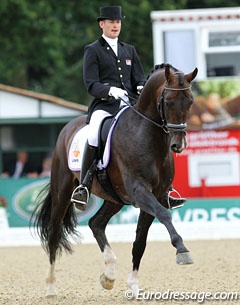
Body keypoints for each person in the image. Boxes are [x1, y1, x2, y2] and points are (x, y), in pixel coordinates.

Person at [71, 6, 186, 211]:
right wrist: (110, 91)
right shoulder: (93, 50)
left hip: (130, 104)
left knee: (157, 130)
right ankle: (84, 185)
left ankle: (166, 189)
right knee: (94, 132)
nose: (115, 25)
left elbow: (139, 78)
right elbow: (91, 84)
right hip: (105, 106)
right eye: (111, 22)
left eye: (118, 22)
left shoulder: (128, 50)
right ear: (102, 24)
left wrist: (141, 87)